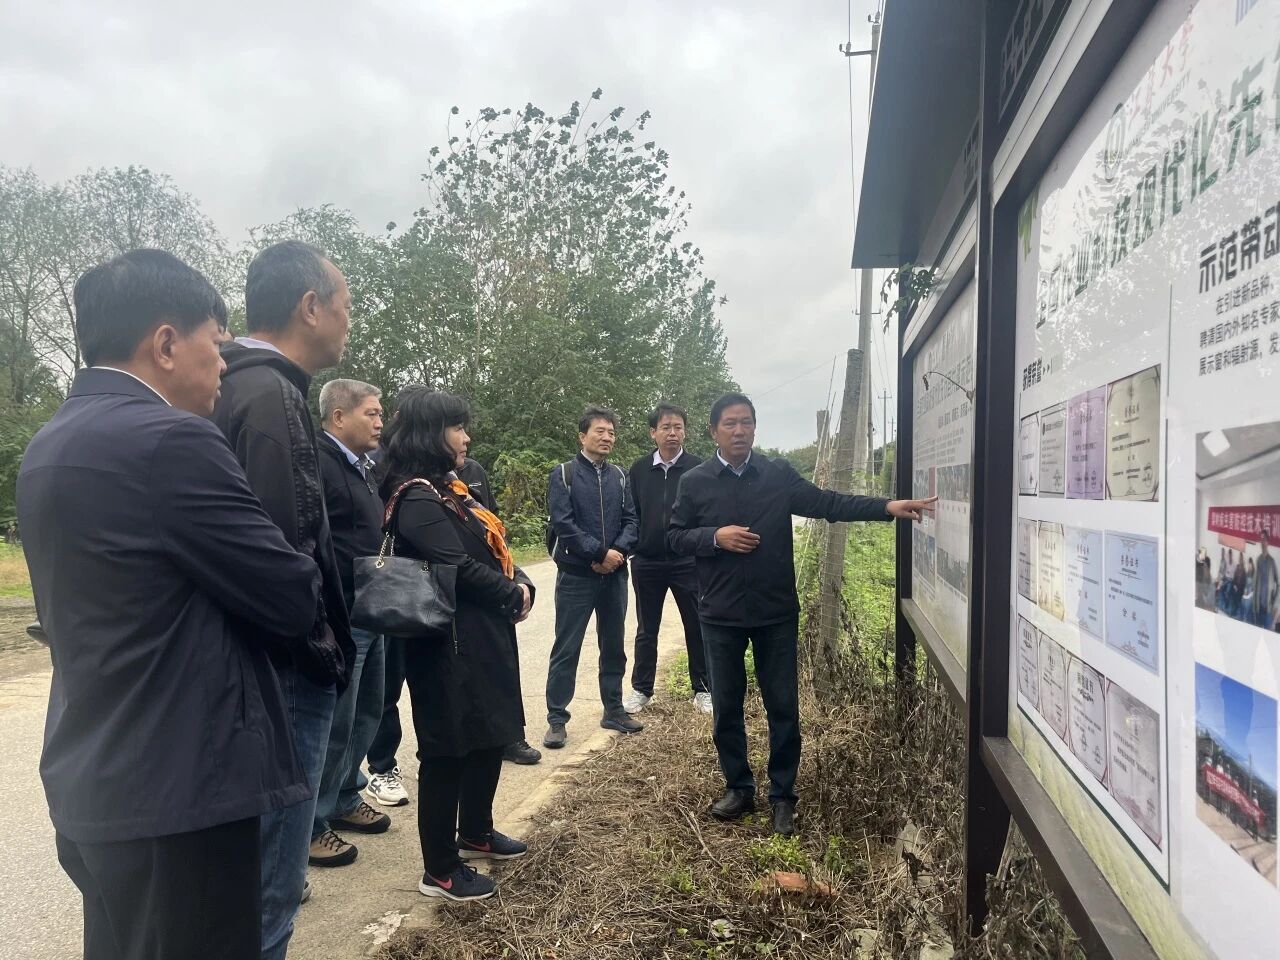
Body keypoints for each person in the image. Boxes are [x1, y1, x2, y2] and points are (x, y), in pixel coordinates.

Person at [17, 250, 324, 960]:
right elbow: (290, 596)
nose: (223, 364)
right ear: (164, 343)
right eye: (215, 343)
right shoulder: (172, 441)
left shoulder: (50, 444)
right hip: (182, 790)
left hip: (96, 776)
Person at [668, 393, 935, 837]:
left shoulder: (776, 474)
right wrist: (715, 537)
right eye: (730, 423)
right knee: (727, 708)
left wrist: (886, 507)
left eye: (747, 422)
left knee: (783, 707)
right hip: (719, 612)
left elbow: (828, 503)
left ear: (755, 428)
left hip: (774, 611)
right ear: (713, 431)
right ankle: (739, 788)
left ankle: (782, 796)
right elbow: (675, 538)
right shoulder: (695, 482)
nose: (739, 431)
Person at [211, 240, 354, 959]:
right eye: (346, 305)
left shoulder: (234, 385)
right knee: (271, 888)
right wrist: (322, 651)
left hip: (252, 670)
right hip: (286, 675)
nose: (349, 321)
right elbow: (283, 553)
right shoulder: (270, 396)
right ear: (310, 307)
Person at [378, 387, 535, 902]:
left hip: (480, 635)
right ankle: (441, 869)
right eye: (457, 427)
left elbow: (491, 550)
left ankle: (476, 832)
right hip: (445, 646)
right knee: (447, 749)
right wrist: (511, 594)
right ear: (431, 433)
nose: (466, 437)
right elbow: (457, 566)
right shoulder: (415, 496)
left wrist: (519, 581)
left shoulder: (452, 489)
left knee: (489, 733)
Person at [309, 379, 392, 869]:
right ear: (339, 417)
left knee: (368, 710)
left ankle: (343, 795)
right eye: (372, 413)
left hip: (371, 607)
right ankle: (312, 824)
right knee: (337, 721)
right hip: (342, 611)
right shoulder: (318, 463)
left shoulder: (363, 465)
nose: (381, 422)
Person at [543, 406, 641, 749]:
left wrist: (616, 554)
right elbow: (563, 524)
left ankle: (613, 709)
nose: (607, 437)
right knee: (566, 647)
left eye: (611, 432)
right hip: (576, 576)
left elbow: (632, 521)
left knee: (613, 644)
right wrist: (599, 554)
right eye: (600, 431)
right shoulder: (564, 474)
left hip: (614, 576)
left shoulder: (620, 476)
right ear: (582, 436)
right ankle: (557, 719)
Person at [623, 403, 710, 715]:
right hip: (646, 562)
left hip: (687, 561)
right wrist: (634, 548)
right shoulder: (638, 470)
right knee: (647, 629)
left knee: (696, 625)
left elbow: (706, 514)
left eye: (678, 427)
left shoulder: (699, 469)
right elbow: (630, 513)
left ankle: (703, 689)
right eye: (666, 427)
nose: (672, 433)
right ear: (653, 432)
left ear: (685, 431)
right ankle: (641, 689)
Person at [1255, 531, 1279, 630]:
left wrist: (1275, 602)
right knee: (1257, 632)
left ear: (1267, 542)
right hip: (1258, 606)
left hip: (1268, 608)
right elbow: (1256, 583)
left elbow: (1278, 584)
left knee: (1266, 633)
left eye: (1264, 539)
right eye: (1261, 539)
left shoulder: (1272, 562)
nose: (1262, 542)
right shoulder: (1258, 560)